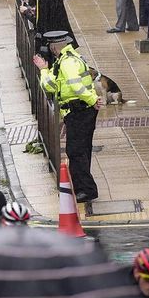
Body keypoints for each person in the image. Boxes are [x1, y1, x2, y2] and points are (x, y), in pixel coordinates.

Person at [33, 30, 103, 202]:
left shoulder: (68, 63)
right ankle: (83, 187)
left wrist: (93, 99)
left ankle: (86, 190)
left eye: (50, 46)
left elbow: (76, 86)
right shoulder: (66, 60)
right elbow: (50, 86)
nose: (49, 50)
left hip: (80, 111)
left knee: (76, 151)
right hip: (79, 111)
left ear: (55, 47)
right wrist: (43, 70)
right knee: (81, 150)